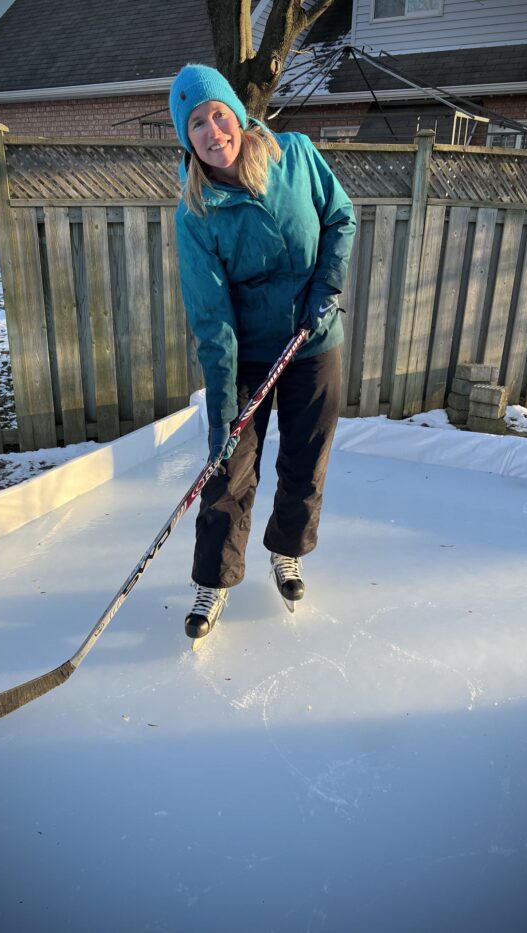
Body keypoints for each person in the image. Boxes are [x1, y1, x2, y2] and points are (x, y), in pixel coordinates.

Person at [168, 63, 356, 643]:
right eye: (195, 123)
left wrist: (327, 284)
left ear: (237, 114)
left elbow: (339, 218)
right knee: (228, 469)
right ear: (187, 137)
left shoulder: (294, 156)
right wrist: (225, 408)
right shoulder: (197, 213)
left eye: (217, 113)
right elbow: (211, 317)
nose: (211, 129)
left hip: (313, 342)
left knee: (305, 461)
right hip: (247, 356)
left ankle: (287, 551)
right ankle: (215, 579)